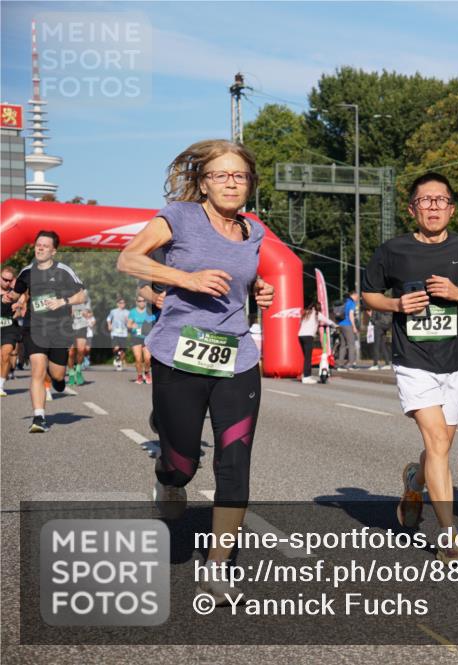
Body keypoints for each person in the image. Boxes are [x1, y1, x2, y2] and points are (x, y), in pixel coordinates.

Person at [117, 138, 274, 603]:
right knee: (183, 462)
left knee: (235, 461)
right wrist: (186, 279)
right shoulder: (180, 217)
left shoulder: (254, 232)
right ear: (203, 181)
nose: (231, 182)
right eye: (221, 175)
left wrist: (259, 289)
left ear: (250, 184)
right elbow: (128, 258)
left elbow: (243, 275)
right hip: (179, 353)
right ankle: (168, 477)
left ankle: (217, 567)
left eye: (239, 175)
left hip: (237, 357)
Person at [362, 172, 458, 565]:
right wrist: (397, 305)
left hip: (457, 363)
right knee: (437, 444)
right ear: (412, 209)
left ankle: (414, 483)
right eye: (425, 200)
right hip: (414, 361)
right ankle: (450, 540)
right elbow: (370, 293)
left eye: (441, 201)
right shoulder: (393, 251)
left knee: (440, 448)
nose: (433, 207)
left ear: (452, 208)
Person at [3, 231, 88, 432]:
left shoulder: (64, 271)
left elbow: (81, 295)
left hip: (59, 330)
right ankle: (39, 417)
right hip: (34, 327)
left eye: (45, 246)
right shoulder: (27, 272)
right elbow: (16, 293)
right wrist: (11, 299)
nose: (40, 248)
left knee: (57, 374)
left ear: (53, 251)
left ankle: (58, 380)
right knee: (37, 369)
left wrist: (63, 301)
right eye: (38, 245)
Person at [1, 265, 25, 397]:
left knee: (5, 355)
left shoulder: (16, 293)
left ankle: (1, 385)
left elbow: (20, 312)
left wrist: (18, 309)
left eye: (10, 280)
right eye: (4, 279)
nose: (7, 282)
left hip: (9, 328)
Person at [298, 302, 334, 383]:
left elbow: (301, 324)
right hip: (308, 337)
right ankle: (306, 377)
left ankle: (305, 375)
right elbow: (328, 321)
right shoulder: (317, 314)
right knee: (308, 358)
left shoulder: (305, 313)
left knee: (306, 357)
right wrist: (336, 325)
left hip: (300, 336)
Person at [127, 294, 156, 384]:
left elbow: (154, 323)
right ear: (136, 302)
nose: (142, 303)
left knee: (147, 358)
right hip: (136, 338)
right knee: (138, 359)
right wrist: (132, 326)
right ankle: (139, 376)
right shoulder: (133, 312)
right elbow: (128, 325)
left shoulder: (149, 312)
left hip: (147, 338)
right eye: (139, 301)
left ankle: (147, 373)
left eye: (143, 301)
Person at [67, 297, 91, 386]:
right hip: (69, 328)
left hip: (82, 326)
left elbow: (89, 314)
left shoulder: (85, 298)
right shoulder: (66, 297)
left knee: (81, 350)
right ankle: (71, 374)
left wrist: (86, 314)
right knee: (71, 353)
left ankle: (78, 370)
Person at [336, 291, 359, 370]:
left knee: (342, 345)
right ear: (354, 295)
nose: (357, 298)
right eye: (357, 296)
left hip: (340, 324)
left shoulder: (345, 302)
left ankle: (339, 364)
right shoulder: (352, 303)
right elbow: (351, 315)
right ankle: (350, 364)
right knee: (351, 344)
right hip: (347, 325)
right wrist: (354, 327)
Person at [106, 297, 130, 371]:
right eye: (120, 303)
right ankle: (117, 358)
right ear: (117, 304)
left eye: (123, 303)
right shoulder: (113, 311)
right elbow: (109, 318)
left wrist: (128, 321)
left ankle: (119, 361)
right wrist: (109, 325)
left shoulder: (127, 312)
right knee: (116, 347)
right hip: (115, 332)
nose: (122, 304)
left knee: (122, 350)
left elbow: (130, 321)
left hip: (124, 333)